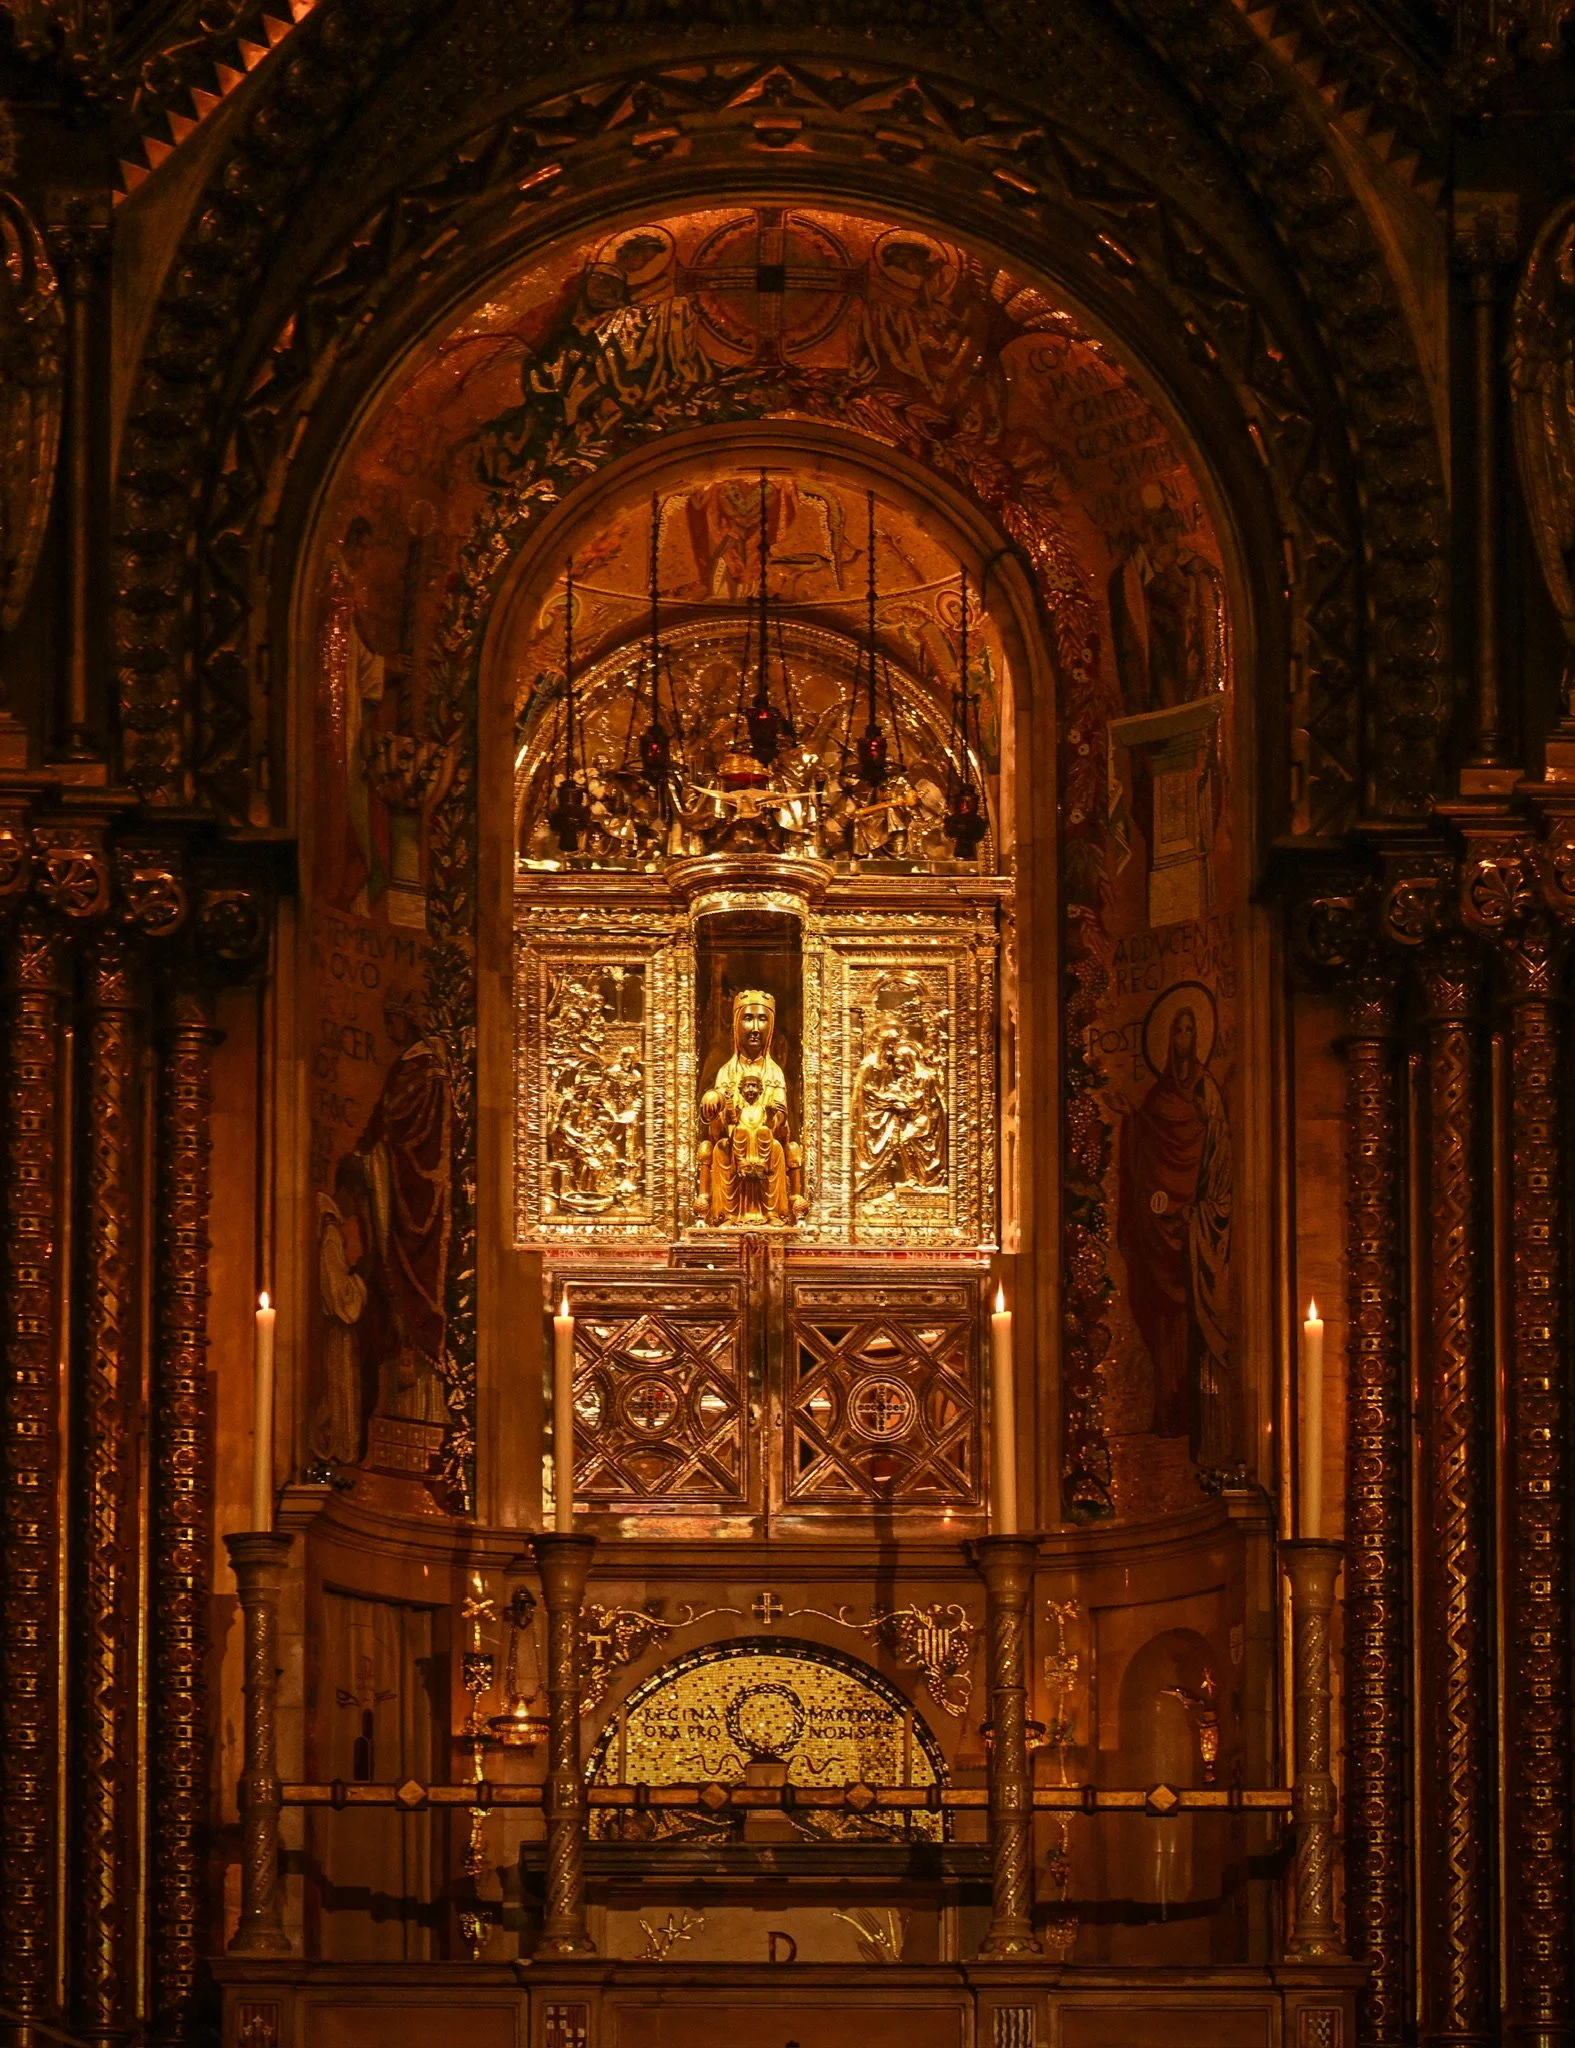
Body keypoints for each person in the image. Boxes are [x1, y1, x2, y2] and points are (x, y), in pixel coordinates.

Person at [1117, 1003, 1232, 1462]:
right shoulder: (1156, 1096)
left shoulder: (1206, 1090)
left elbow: (1216, 1158)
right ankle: (1166, 1409)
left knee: (1192, 1323)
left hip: (1195, 1231)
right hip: (1159, 1231)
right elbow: (1148, 1152)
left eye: (1189, 1029)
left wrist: (1195, 1213)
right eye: (1177, 1030)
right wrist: (1132, 1119)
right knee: (1161, 1319)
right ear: (1168, 1040)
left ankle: (1191, 1417)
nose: (1183, 1038)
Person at [696, 988, 805, 1225]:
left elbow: (782, 1128)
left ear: (771, 1026)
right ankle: (726, 1215)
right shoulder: (726, 1072)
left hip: (766, 1147)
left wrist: (773, 1118)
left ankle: (773, 1213)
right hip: (733, 1150)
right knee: (720, 1149)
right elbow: (716, 1131)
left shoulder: (775, 1073)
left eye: (762, 1019)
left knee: (774, 1147)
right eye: (748, 1018)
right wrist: (713, 1105)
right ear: (736, 1024)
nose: (755, 1028)